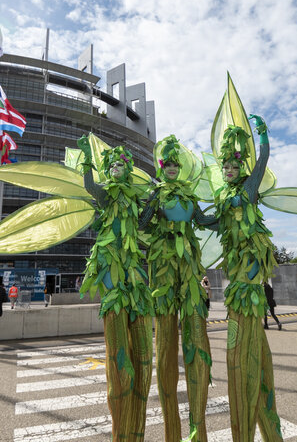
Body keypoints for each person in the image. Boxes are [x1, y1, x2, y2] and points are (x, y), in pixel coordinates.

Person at [200, 118, 283, 441]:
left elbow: (261, 161)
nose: (230, 171)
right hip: (235, 270)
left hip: (249, 269)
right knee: (241, 337)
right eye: (226, 168)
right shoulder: (223, 199)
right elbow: (211, 222)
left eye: (234, 166)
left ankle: (257, 415)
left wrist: (263, 135)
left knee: (247, 328)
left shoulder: (249, 189)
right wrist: (191, 214)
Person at [77, 136, 154, 441]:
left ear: (127, 168)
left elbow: (144, 222)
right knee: (116, 320)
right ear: (108, 171)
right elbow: (90, 188)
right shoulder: (107, 196)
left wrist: (156, 200)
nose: (118, 168)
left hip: (132, 265)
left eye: (122, 164)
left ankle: (134, 425)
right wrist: (87, 161)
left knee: (138, 328)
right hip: (110, 260)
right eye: (113, 165)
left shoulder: (133, 199)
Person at [139, 135, 213, 441]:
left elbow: (204, 221)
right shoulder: (156, 196)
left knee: (195, 326)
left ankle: (197, 428)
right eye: (167, 165)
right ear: (162, 168)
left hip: (188, 264)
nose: (171, 168)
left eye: (174, 165)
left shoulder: (190, 196)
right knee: (166, 333)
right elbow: (143, 225)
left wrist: (231, 214)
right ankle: (172, 429)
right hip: (165, 264)